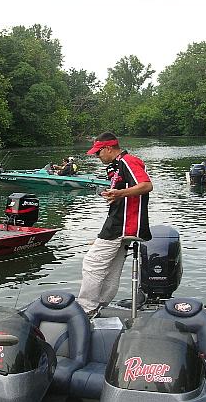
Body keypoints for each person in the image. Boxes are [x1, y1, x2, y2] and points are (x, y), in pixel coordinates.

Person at [77, 132, 153, 315]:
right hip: (123, 222)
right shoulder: (116, 166)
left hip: (123, 224)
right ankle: (98, 305)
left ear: (108, 148)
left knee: (92, 263)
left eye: (98, 152)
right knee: (112, 267)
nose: (96, 156)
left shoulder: (128, 160)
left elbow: (146, 185)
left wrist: (118, 194)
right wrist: (113, 195)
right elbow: (127, 191)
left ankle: (85, 308)